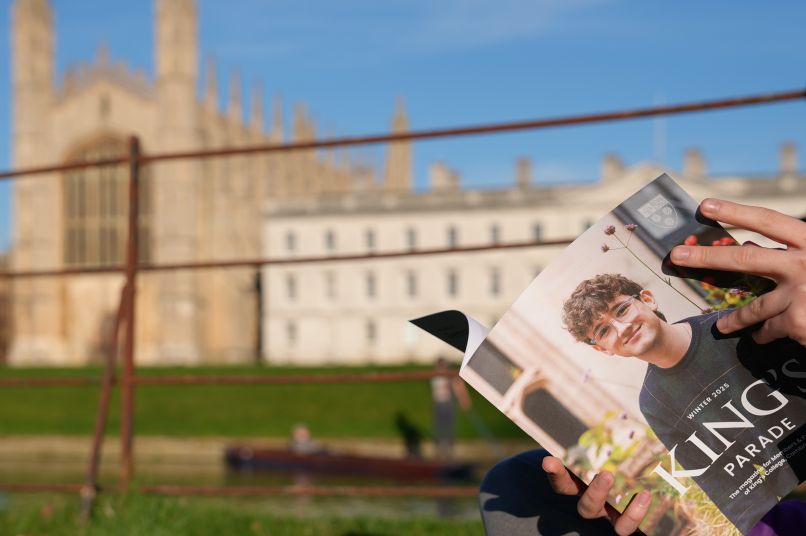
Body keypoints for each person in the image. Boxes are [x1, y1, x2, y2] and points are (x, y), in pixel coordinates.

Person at [479, 199, 806, 535]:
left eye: (621, 311)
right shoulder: (652, 401)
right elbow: (725, 495)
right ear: (602, 349)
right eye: (604, 331)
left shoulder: (731, 324)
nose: (623, 329)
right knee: (515, 480)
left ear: (647, 299)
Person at [432, 356, 472, 459]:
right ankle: (440, 450)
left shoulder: (448, 375)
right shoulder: (435, 375)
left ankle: (449, 451)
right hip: (439, 403)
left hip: (447, 403)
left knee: (449, 426)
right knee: (439, 427)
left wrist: (463, 399)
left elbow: (458, 385)